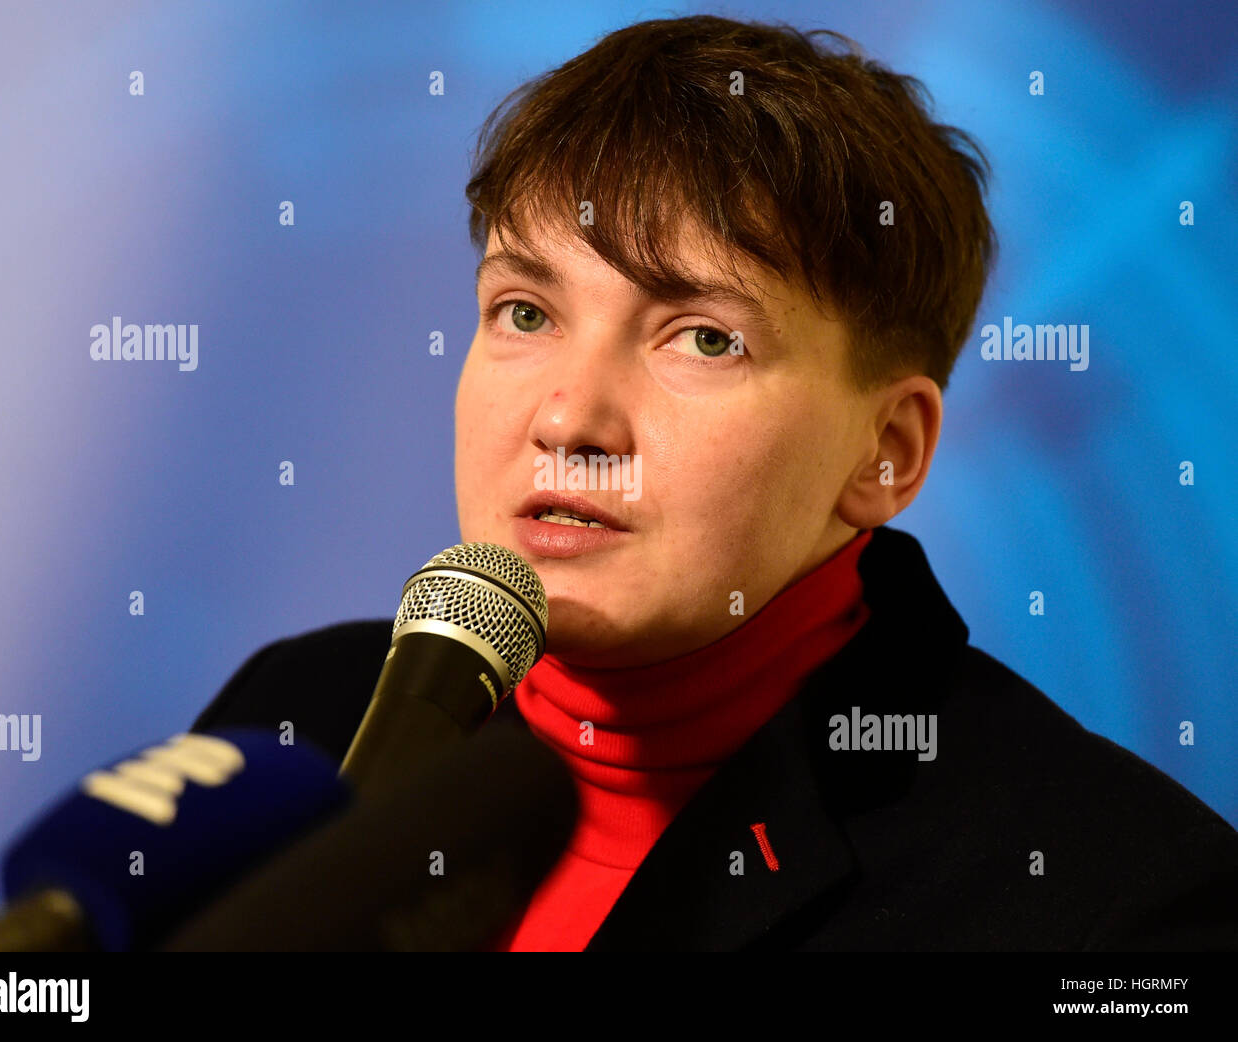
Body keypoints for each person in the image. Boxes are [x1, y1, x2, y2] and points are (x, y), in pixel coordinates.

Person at [191, 14, 1238, 950]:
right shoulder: (298, 715)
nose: (567, 418)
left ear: (888, 452)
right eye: (524, 312)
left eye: (701, 337)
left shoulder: (1110, 899)